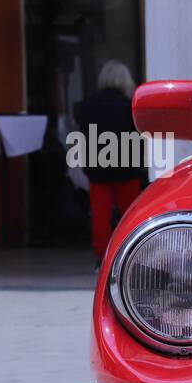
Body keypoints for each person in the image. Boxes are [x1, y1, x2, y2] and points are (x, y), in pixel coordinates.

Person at [74, 60, 147, 262]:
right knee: (131, 215)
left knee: (100, 215)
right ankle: (134, 253)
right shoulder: (129, 106)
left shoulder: (87, 105)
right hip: (126, 167)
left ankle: (102, 257)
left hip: (97, 167)